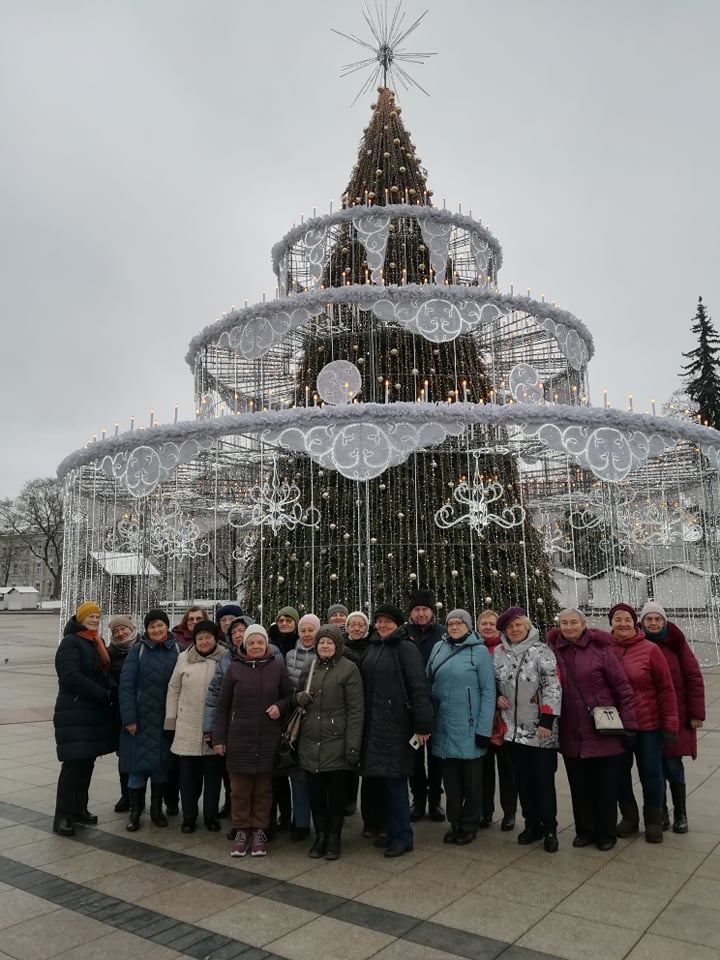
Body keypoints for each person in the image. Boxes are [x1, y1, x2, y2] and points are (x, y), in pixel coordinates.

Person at [547, 608, 638, 851]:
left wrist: (629, 725)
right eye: (564, 623)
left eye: (573, 622)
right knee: (579, 786)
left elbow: (623, 689)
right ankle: (584, 831)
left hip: (602, 730)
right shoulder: (553, 652)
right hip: (571, 731)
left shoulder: (601, 650)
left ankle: (606, 833)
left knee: (605, 786)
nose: (568, 627)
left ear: (584, 624)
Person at [360, 603, 434, 858]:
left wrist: (423, 725)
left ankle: (403, 836)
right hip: (374, 725)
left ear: (398, 624)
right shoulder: (374, 647)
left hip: (396, 725)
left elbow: (419, 687)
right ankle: (392, 832)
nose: (382, 625)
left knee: (396, 783)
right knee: (383, 783)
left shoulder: (406, 648)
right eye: (379, 621)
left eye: (388, 622)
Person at [212, 624, 291, 858]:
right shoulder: (234, 669)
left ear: (266, 644)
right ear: (244, 644)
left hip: (268, 739)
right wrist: (219, 738)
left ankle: (258, 831)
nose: (256, 646)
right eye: (252, 642)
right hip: (240, 739)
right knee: (239, 790)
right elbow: (222, 706)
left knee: (264, 791)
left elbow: (288, 696)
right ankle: (241, 831)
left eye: (260, 642)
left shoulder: (277, 667)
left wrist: (280, 705)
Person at [493, 606, 562, 853]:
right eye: (510, 627)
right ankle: (531, 824)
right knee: (522, 781)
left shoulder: (541, 651)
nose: (514, 630)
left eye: (518, 625)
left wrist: (547, 720)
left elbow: (553, 686)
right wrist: (496, 698)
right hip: (512, 730)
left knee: (543, 781)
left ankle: (550, 829)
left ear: (527, 626)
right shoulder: (499, 653)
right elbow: (494, 683)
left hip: (540, 730)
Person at [609, 603, 679, 843]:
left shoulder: (650, 649)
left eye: (627, 619)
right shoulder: (605, 649)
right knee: (619, 773)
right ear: (611, 623)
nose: (623, 624)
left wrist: (671, 724)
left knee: (651, 771)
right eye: (617, 619)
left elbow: (666, 689)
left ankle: (653, 820)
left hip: (648, 725)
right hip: (616, 725)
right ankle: (629, 817)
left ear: (634, 622)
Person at [295, 624, 364, 859]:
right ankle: (320, 835)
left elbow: (356, 711)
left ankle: (334, 837)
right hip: (310, 740)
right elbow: (297, 698)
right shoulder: (310, 666)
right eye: (322, 642)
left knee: (335, 795)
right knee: (315, 793)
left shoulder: (349, 669)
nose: (325, 646)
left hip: (337, 741)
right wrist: (298, 697)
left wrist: (353, 745)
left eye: (329, 642)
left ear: (337, 645)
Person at [426, 609, 495, 845]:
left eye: (459, 623)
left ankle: (469, 823)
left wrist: (483, 729)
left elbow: (488, 693)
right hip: (443, 725)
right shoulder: (439, 648)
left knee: (472, 782)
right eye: (450, 623)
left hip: (469, 726)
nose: (454, 627)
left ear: (468, 626)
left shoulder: (480, 652)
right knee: (451, 781)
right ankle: (454, 822)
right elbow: (428, 681)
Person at [639, 601, 705, 834]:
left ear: (665, 621)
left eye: (658, 619)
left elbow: (694, 678)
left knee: (673, 765)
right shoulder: (638, 644)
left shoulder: (677, 644)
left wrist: (697, 714)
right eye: (649, 619)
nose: (654, 623)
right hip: (648, 717)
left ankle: (680, 813)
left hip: (676, 716)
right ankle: (662, 811)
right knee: (652, 766)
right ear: (643, 622)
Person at [52, 602, 117, 836]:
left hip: (91, 711)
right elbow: (70, 676)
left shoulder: (94, 641)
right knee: (73, 765)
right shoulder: (71, 642)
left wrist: (112, 689)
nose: (95, 620)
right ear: (80, 618)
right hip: (75, 710)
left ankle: (79, 809)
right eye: (90, 616)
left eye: (98, 616)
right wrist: (101, 693)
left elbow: (103, 671)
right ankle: (62, 816)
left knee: (86, 763)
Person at [118, 609, 181, 832]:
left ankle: (156, 810)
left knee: (160, 768)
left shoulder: (177, 650)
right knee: (137, 767)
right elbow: (125, 686)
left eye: (160, 625)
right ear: (146, 629)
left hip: (166, 721)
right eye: (152, 626)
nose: (156, 629)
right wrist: (129, 718)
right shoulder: (138, 650)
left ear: (167, 626)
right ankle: (135, 812)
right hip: (140, 720)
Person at [165, 620, 225, 832]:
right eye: (200, 638)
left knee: (213, 778)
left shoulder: (224, 658)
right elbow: (173, 689)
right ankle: (189, 816)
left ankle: (210, 815)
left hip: (214, 727)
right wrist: (171, 721)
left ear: (215, 638)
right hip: (187, 725)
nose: (204, 641)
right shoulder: (184, 658)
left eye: (208, 637)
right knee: (188, 778)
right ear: (195, 640)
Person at [405, 588, 446, 823]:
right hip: (411, 705)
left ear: (432, 611)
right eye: (417, 610)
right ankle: (418, 799)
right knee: (414, 757)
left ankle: (435, 801)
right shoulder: (404, 632)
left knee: (436, 756)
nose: (421, 614)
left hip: (437, 703)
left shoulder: (442, 633)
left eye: (425, 609)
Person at [476, 609, 517, 831]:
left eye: (492, 623)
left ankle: (509, 812)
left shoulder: (507, 649)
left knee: (507, 769)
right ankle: (486, 811)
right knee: (484, 770)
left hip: (506, 718)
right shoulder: (473, 649)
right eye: (484, 624)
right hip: (483, 718)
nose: (488, 627)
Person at [284, 613, 320, 841]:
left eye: (311, 630)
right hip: (296, 718)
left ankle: (321, 822)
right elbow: (285, 686)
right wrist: (295, 698)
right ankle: (300, 822)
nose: (307, 634)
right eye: (303, 630)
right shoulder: (289, 656)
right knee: (297, 775)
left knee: (317, 775)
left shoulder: (325, 652)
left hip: (320, 719)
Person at [107, 613, 138, 813]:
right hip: (120, 711)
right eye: (116, 631)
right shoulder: (109, 654)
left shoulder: (143, 647)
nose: (120, 633)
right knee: (125, 756)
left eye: (123, 628)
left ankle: (144, 798)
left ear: (131, 628)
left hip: (145, 709)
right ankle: (126, 796)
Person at [343, 610, 371, 815]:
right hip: (346, 708)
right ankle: (348, 798)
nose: (356, 628)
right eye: (352, 624)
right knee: (348, 755)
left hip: (370, 707)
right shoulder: (339, 648)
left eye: (361, 624)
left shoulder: (374, 646)